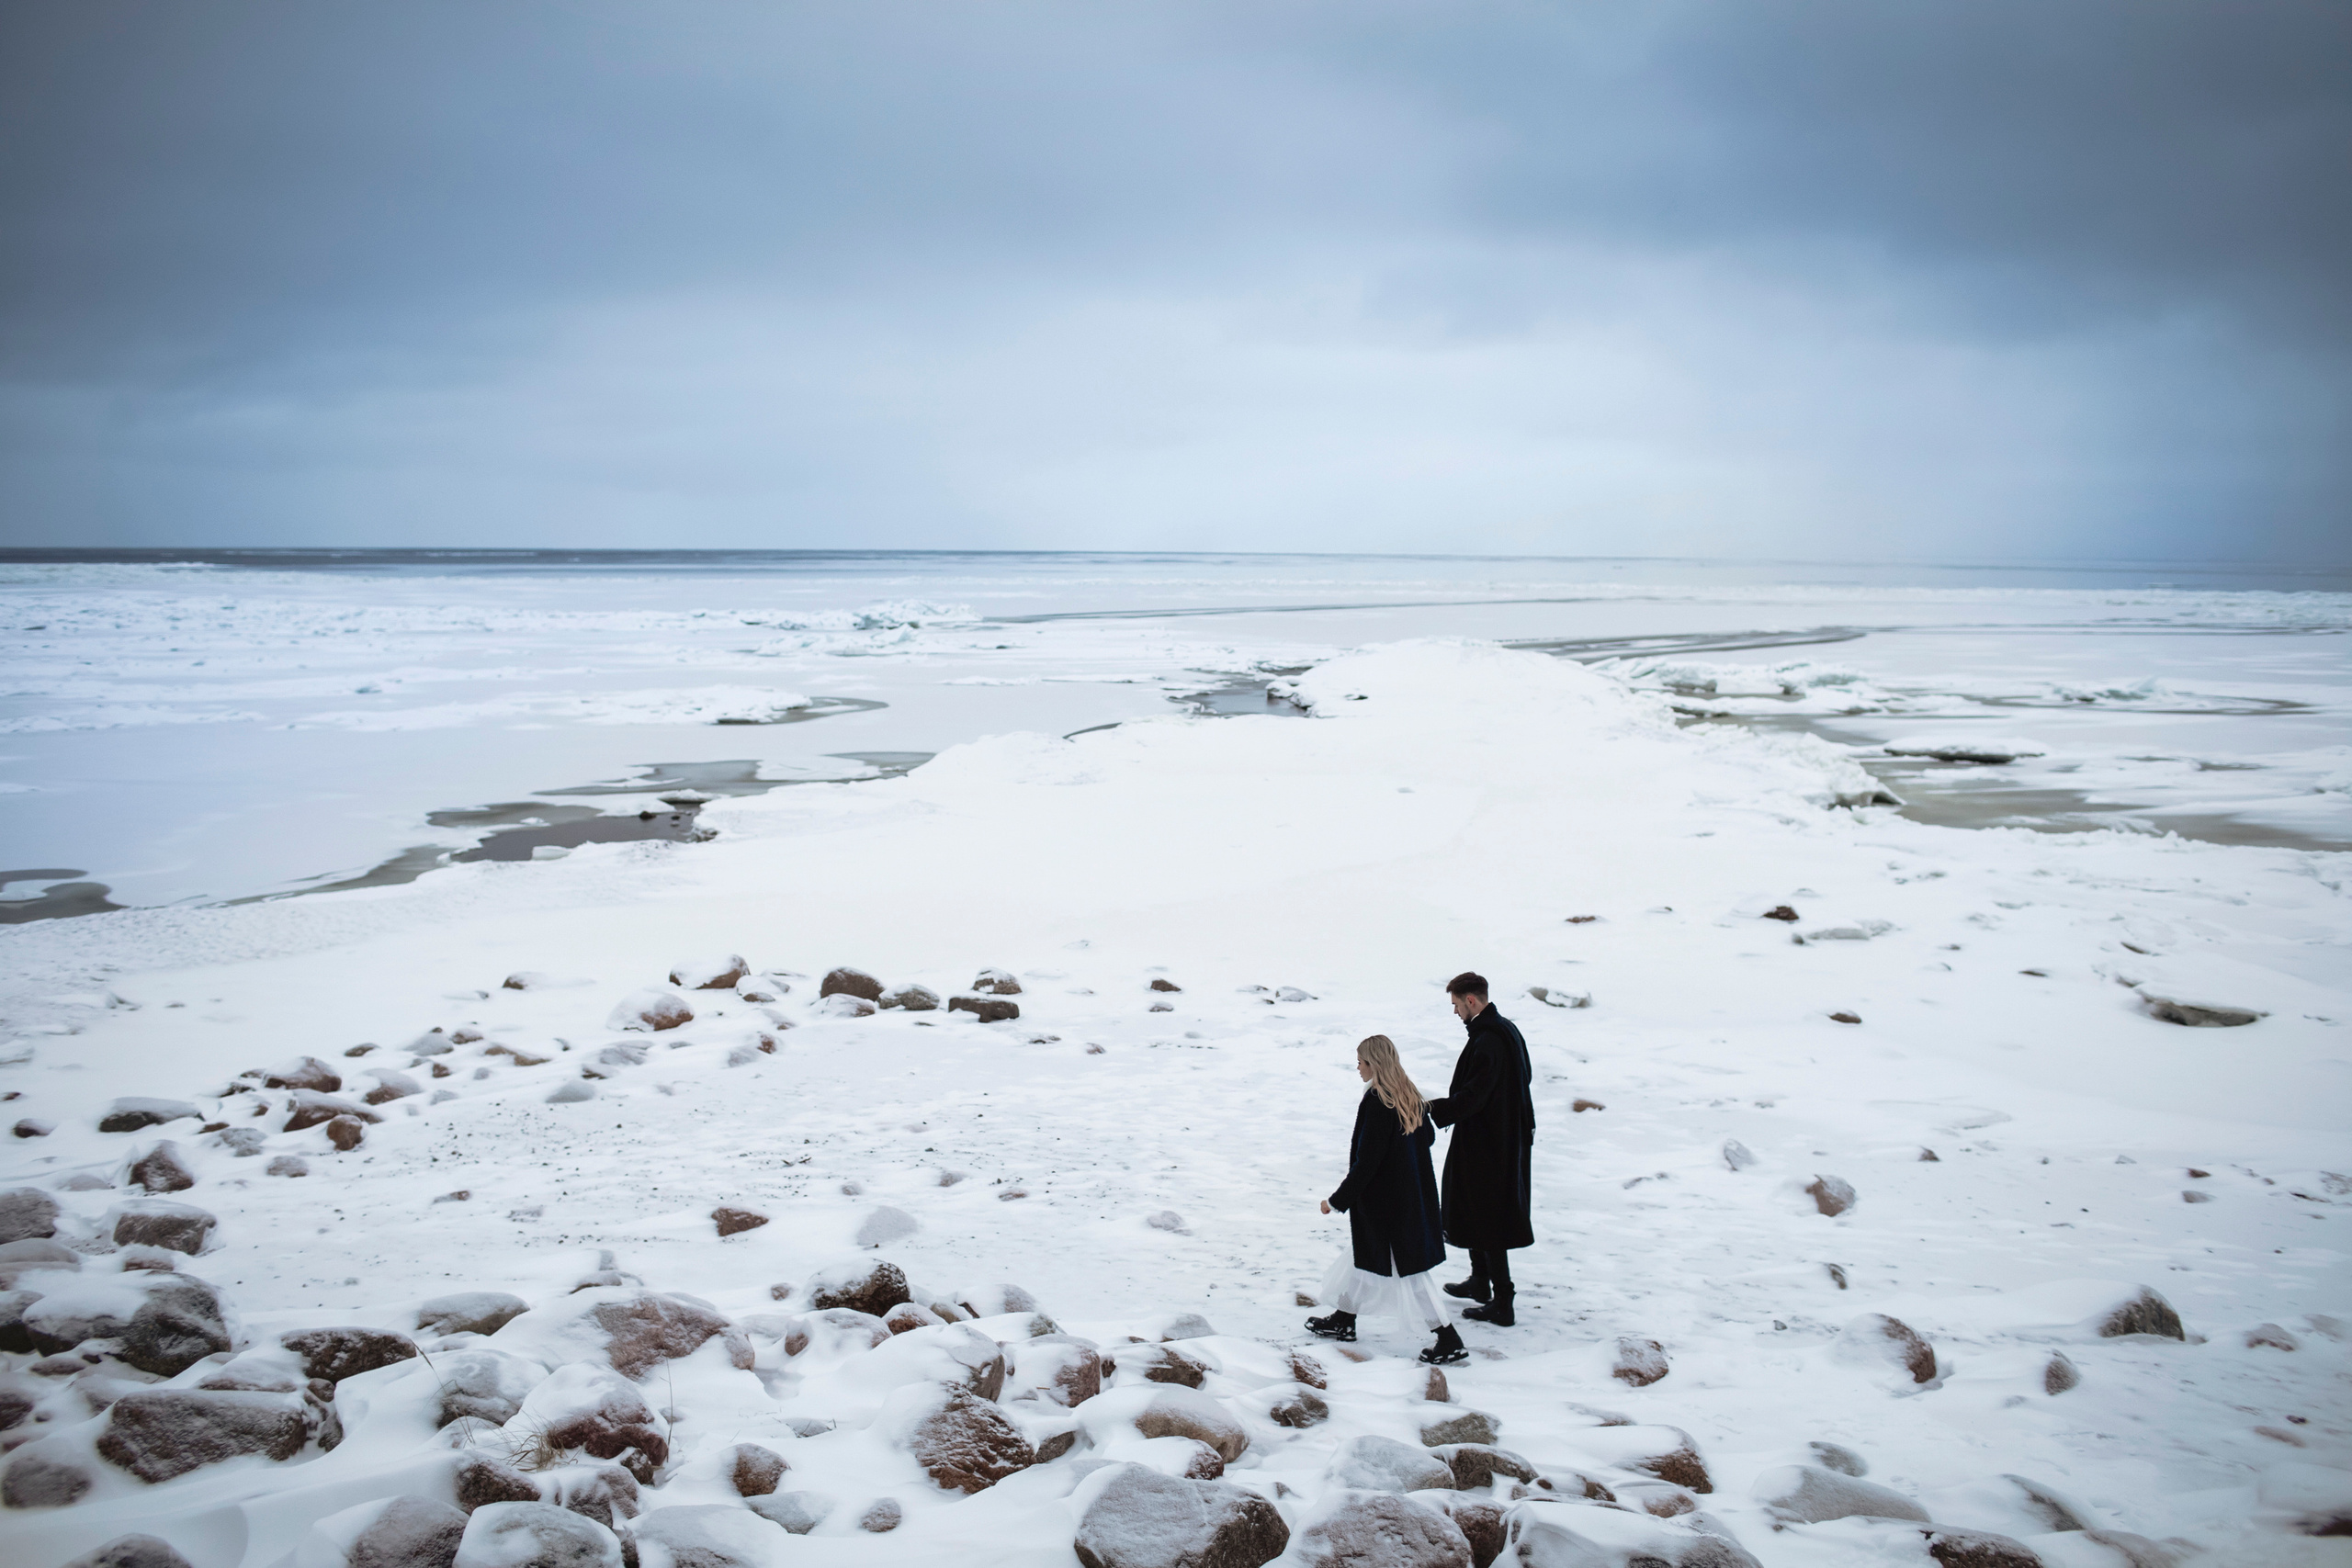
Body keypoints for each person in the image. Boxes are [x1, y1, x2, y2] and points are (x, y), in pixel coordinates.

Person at [1306, 1034, 1466, 1366]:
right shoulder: (1408, 1096)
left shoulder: (1379, 1102)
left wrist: (1337, 1201)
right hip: (1408, 1200)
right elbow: (1427, 1139)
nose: (1358, 1068)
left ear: (1375, 1065)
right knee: (1362, 1257)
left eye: (1362, 1062)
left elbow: (1368, 1161)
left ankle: (1448, 1339)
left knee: (1412, 1275)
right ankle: (1344, 1319)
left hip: (1389, 1207)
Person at [1426, 971, 1535, 1326]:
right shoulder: (1506, 1030)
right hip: (1497, 1138)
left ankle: (1503, 1301)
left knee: (1491, 1218)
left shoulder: (1489, 1039)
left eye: (1456, 1005)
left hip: (1491, 1144)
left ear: (1471, 1001)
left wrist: (1430, 1108)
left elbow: (1474, 1096)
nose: (1455, 1013)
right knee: (1476, 1207)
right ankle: (1479, 1282)